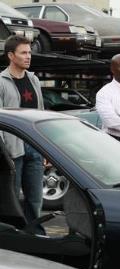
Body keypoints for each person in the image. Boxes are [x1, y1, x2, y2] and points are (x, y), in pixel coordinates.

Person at [0, 35, 45, 234]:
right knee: (11, 198)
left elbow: (41, 113)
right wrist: (3, 152)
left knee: (35, 198)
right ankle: (13, 236)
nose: (28, 57)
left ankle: (35, 235)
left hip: (34, 146)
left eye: (29, 52)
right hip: (12, 149)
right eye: (23, 53)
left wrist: (45, 148)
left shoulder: (34, 79)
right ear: (11, 55)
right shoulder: (1, 81)